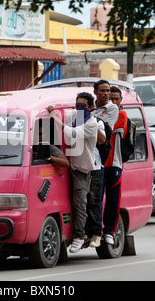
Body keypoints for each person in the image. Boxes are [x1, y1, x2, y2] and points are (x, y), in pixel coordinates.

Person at [48, 92, 98, 253]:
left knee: (79, 203)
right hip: (68, 166)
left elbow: (70, 133)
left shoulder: (91, 124)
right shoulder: (74, 117)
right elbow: (60, 110)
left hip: (82, 169)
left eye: (83, 105)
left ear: (91, 107)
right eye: (77, 104)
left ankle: (79, 235)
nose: (79, 108)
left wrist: (54, 117)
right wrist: (53, 112)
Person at [85, 80, 119, 248]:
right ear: (95, 92)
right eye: (102, 90)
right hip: (85, 158)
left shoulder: (112, 108)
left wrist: (89, 116)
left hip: (104, 159)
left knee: (99, 197)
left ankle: (102, 232)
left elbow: (104, 130)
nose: (106, 93)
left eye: (108, 90)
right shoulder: (89, 108)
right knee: (86, 197)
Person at [102, 86, 128, 245]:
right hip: (98, 164)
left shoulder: (122, 114)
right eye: (110, 99)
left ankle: (109, 231)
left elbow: (107, 127)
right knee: (96, 199)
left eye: (116, 99)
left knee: (113, 200)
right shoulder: (101, 112)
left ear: (120, 101)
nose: (113, 102)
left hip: (114, 164)